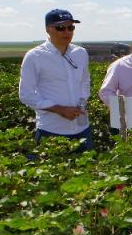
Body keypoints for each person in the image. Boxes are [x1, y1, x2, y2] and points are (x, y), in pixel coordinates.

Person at [19, 8, 93, 151]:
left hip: (82, 128)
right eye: (60, 28)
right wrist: (59, 110)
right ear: (48, 30)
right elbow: (26, 95)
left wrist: (81, 104)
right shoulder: (34, 56)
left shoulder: (80, 53)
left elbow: (85, 82)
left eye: (71, 27)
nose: (67, 32)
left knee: (87, 172)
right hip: (51, 130)